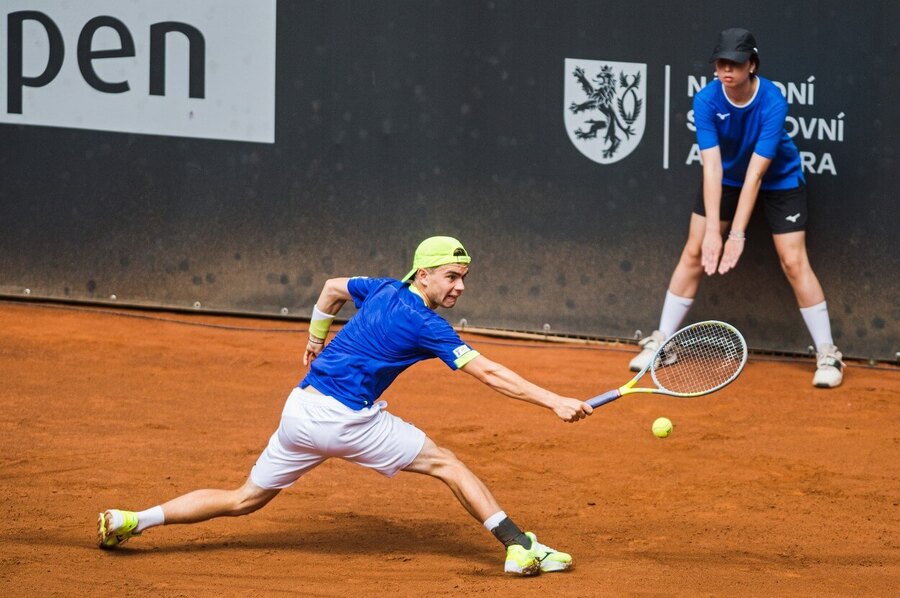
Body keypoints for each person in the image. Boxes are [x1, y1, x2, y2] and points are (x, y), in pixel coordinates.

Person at [97, 236, 593, 576]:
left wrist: (315, 338)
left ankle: (133, 520)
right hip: (347, 421)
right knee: (448, 464)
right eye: (450, 277)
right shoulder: (428, 325)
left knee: (243, 498)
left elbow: (333, 288)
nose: (458, 286)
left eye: (463, 277)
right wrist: (554, 401)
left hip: (299, 411)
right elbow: (487, 372)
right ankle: (518, 547)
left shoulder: (380, 288)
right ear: (423, 275)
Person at [629, 27, 844, 388]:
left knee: (793, 260)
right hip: (726, 178)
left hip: (779, 179)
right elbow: (711, 167)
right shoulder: (707, 100)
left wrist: (738, 234)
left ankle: (828, 354)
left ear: (752, 65)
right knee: (695, 250)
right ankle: (662, 342)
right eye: (721, 63)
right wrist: (715, 231)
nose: (727, 70)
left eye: (736, 63)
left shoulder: (773, 101)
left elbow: (756, 175)